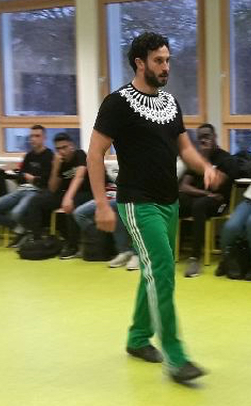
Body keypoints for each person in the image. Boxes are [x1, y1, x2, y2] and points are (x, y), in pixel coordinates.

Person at [87, 31, 215, 384]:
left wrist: (205, 166)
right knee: (162, 272)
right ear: (139, 63)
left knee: (154, 269)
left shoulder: (171, 103)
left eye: (168, 60)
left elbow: (185, 149)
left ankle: (138, 337)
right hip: (137, 202)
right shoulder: (117, 103)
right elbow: (95, 153)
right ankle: (175, 357)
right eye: (159, 61)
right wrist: (101, 204)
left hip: (169, 201)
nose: (165, 67)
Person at [178, 123, 236, 278]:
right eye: (200, 138)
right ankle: (166, 250)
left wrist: (206, 162)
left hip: (219, 202)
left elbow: (216, 185)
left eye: (206, 136)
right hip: (202, 197)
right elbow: (184, 186)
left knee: (199, 206)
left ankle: (194, 258)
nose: (203, 141)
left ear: (215, 137)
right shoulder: (197, 159)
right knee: (173, 201)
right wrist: (204, 193)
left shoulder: (225, 159)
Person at [21, 132, 91, 253]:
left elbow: (79, 177)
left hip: (86, 191)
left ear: (71, 146)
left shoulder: (79, 154)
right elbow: (52, 188)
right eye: (58, 149)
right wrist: (55, 167)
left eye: (64, 147)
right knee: (35, 201)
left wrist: (68, 197)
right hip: (66, 193)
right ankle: (37, 240)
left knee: (71, 204)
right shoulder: (59, 161)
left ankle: (73, 246)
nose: (61, 151)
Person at [0, 124, 54, 246]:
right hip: (21, 190)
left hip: (36, 191)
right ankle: (21, 229)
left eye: (37, 136)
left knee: (16, 213)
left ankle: (27, 232)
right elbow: (21, 176)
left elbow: (47, 181)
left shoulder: (50, 156)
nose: (33, 139)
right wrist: (29, 177)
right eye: (31, 136)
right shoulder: (29, 155)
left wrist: (32, 178)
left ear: (44, 138)